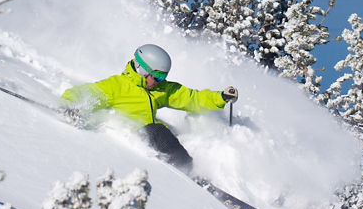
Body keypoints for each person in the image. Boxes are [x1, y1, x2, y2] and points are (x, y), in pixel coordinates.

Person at [61, 43, 238, 174]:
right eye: (158, 76)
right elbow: (83, 93)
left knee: (167, 132)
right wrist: (69, 106)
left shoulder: (160, 89)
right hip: (135, 133)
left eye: (164, 76)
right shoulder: (116, 86)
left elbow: (192, 98)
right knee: (158, 130)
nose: (160, 81)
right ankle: (186, 171)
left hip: (154, 135)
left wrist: (220, 97)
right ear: (142, 69)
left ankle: (189, 171)